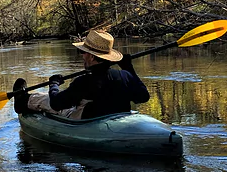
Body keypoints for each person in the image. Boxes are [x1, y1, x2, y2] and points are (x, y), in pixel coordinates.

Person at [13, 29, 150, 119]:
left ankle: (23, 101)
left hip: (87, 119)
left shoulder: (84, 82)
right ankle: (27, 98)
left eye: (83, 52)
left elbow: (56, 104)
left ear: (91, 57)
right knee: (73, 100)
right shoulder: (125, 76)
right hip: (115, 115)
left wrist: (53, 84)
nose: (82, 56)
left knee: (49, 101)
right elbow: (143, 96)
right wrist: (128, 68)